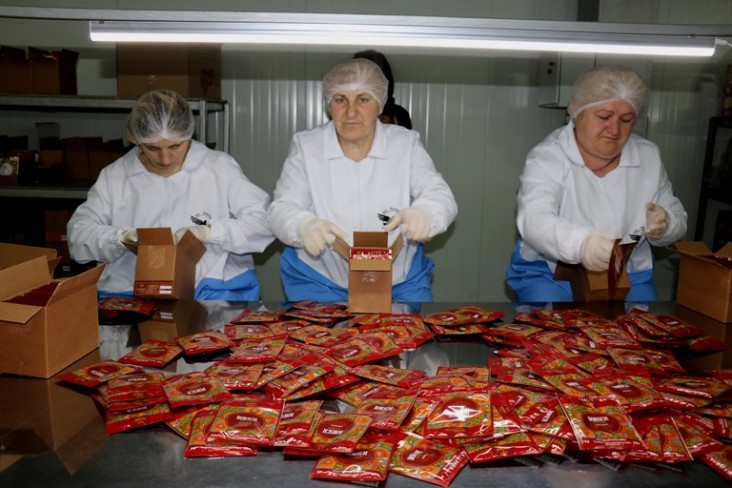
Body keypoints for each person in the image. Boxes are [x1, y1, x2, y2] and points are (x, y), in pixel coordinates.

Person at [267, 58, 457, 304]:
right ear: (329, 104)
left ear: (379, 103)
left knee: (404, 340)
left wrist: (425, 213)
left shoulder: (405, 144)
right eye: (340, 100)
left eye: (363, 99)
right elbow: (281, 208)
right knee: (320, 342)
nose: (351, 112)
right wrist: (303, 225)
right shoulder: (307, 146)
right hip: (320, 279)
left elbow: (440, 195)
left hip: (397, 280)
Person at [67, 90, 275, 300]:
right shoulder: (116, 176)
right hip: (130, 292)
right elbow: (78, 237)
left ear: (188, 135)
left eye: (175, 146)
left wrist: (211, 233)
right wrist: (120, 238)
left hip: (212, 291)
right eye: (152, 148)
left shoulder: (219, 168)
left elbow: (264, 223)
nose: (165, 158)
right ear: (137, 140)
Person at [506, 65, 687, 304]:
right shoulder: (548, 157)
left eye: (626, 119)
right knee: (553, 335)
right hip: (551, 275)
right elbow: (534, 220)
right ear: (578, 113)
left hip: (629, 275)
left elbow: (677, 217)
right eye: (604, 117)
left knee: (642, 335)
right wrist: (583, 245)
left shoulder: (648, 158)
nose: (614, 129)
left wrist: (666, 225)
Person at [353, 49, 413, 129]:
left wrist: (392, 130)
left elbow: (406, 139)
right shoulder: (344, 110)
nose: (371, 80)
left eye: (378, 74)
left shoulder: (398, 114)